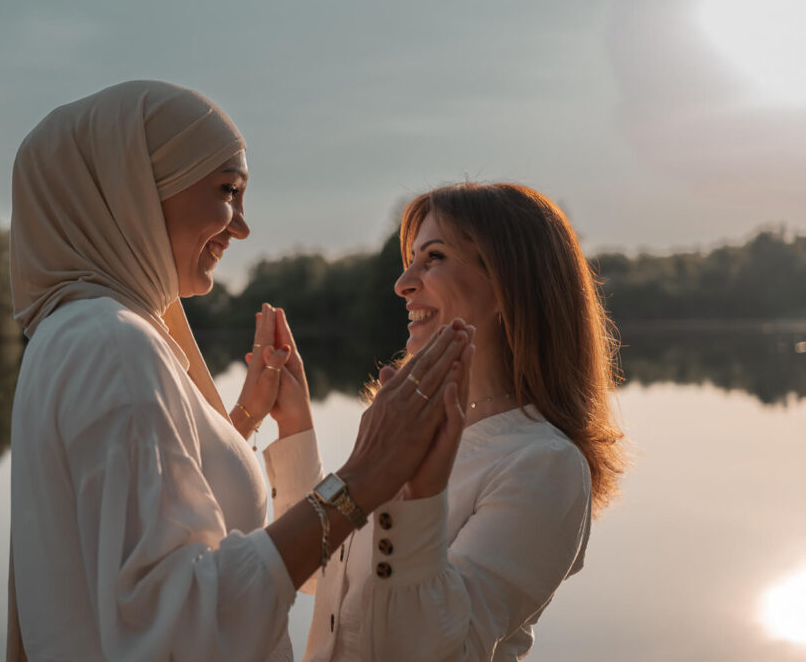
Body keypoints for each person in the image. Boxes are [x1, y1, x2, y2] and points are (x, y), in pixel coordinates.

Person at [5, 80, 475, 662]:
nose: (242, 226)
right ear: (134, 190)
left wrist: (242, 422)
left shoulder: (70, 334)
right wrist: (366, 476)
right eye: (228, 190)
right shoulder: (112, 344)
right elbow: (176, 627)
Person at [262, 182, 628, 661]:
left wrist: (418, 497)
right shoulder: (405, 424)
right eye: (411, 258)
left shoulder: (544, 465)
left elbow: (446, 649)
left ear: (507, 286)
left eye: (433, 257)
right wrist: (294, 427)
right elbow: (319, 572)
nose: (403, 282)